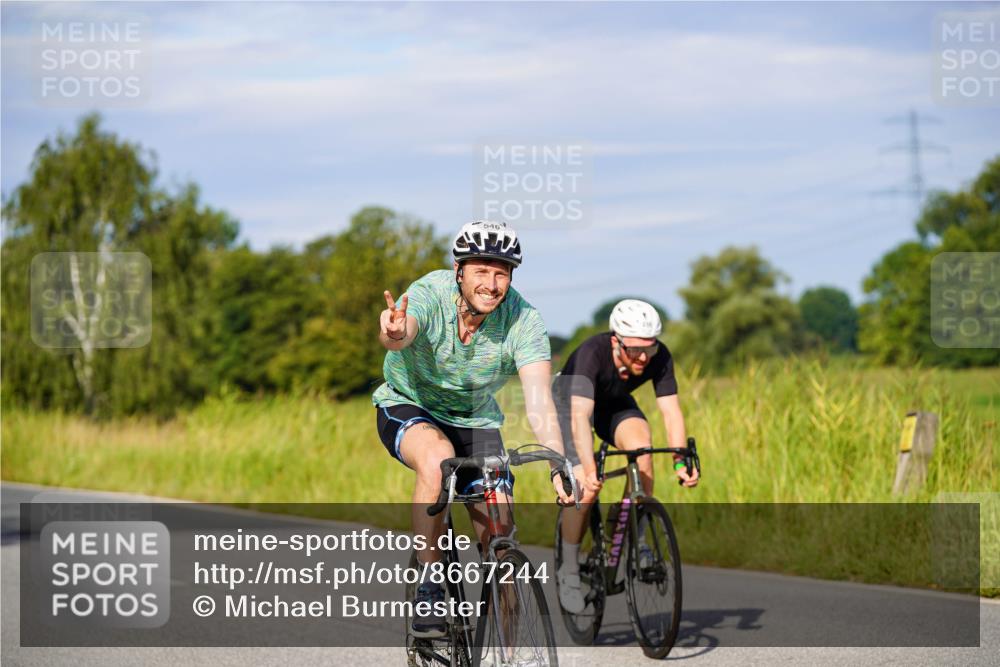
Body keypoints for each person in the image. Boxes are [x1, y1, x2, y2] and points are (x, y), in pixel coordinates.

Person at [372, 220, 573, 638]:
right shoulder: (430, 293)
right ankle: (429, 583)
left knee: (501, 540)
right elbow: (402, 330)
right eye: (481, 271)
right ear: (459, 270)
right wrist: (393, 331)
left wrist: (558, 460)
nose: (491, 283)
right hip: (410, 405)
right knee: (438, 458)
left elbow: (538, 400)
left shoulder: (524, 321)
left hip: (476, 420)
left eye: (501, 273)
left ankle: (511, 646)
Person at [552, 299, 699, 613]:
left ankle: (638, 536)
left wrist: (680, 460)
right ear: (616, 342)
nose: (644, 357)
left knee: (642, 448)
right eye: (635, 350)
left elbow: (671, 412)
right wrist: (588, 470)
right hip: (570, 405)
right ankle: (569, 570)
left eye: (650, 348)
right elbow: (579, 418)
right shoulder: (593, 354)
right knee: (585, 485)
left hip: (612, 402)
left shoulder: (659, 357)